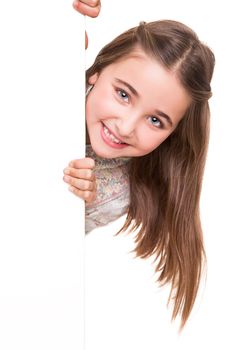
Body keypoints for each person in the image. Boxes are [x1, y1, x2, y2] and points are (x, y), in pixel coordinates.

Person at [63, 0, 215, 330]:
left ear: (172, 133)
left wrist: (79, 201)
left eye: (156, 120)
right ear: (95, 71)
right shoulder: (55, 79)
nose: (127, 126)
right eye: (123, 94)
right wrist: (58, 15)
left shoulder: (120, 191)